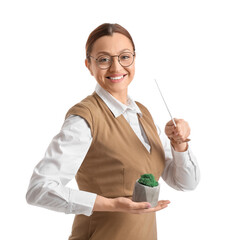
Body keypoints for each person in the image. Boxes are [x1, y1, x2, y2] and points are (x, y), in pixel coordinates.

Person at [26, 23, 200, 240]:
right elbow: (39, 190)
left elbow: (186, 183)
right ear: (89, 65)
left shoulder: (143, 114)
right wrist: (111, 204)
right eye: (104, 59)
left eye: (124, 57)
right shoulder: (83, 119)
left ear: (134, 59)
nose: (117, 68)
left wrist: (179, 144)